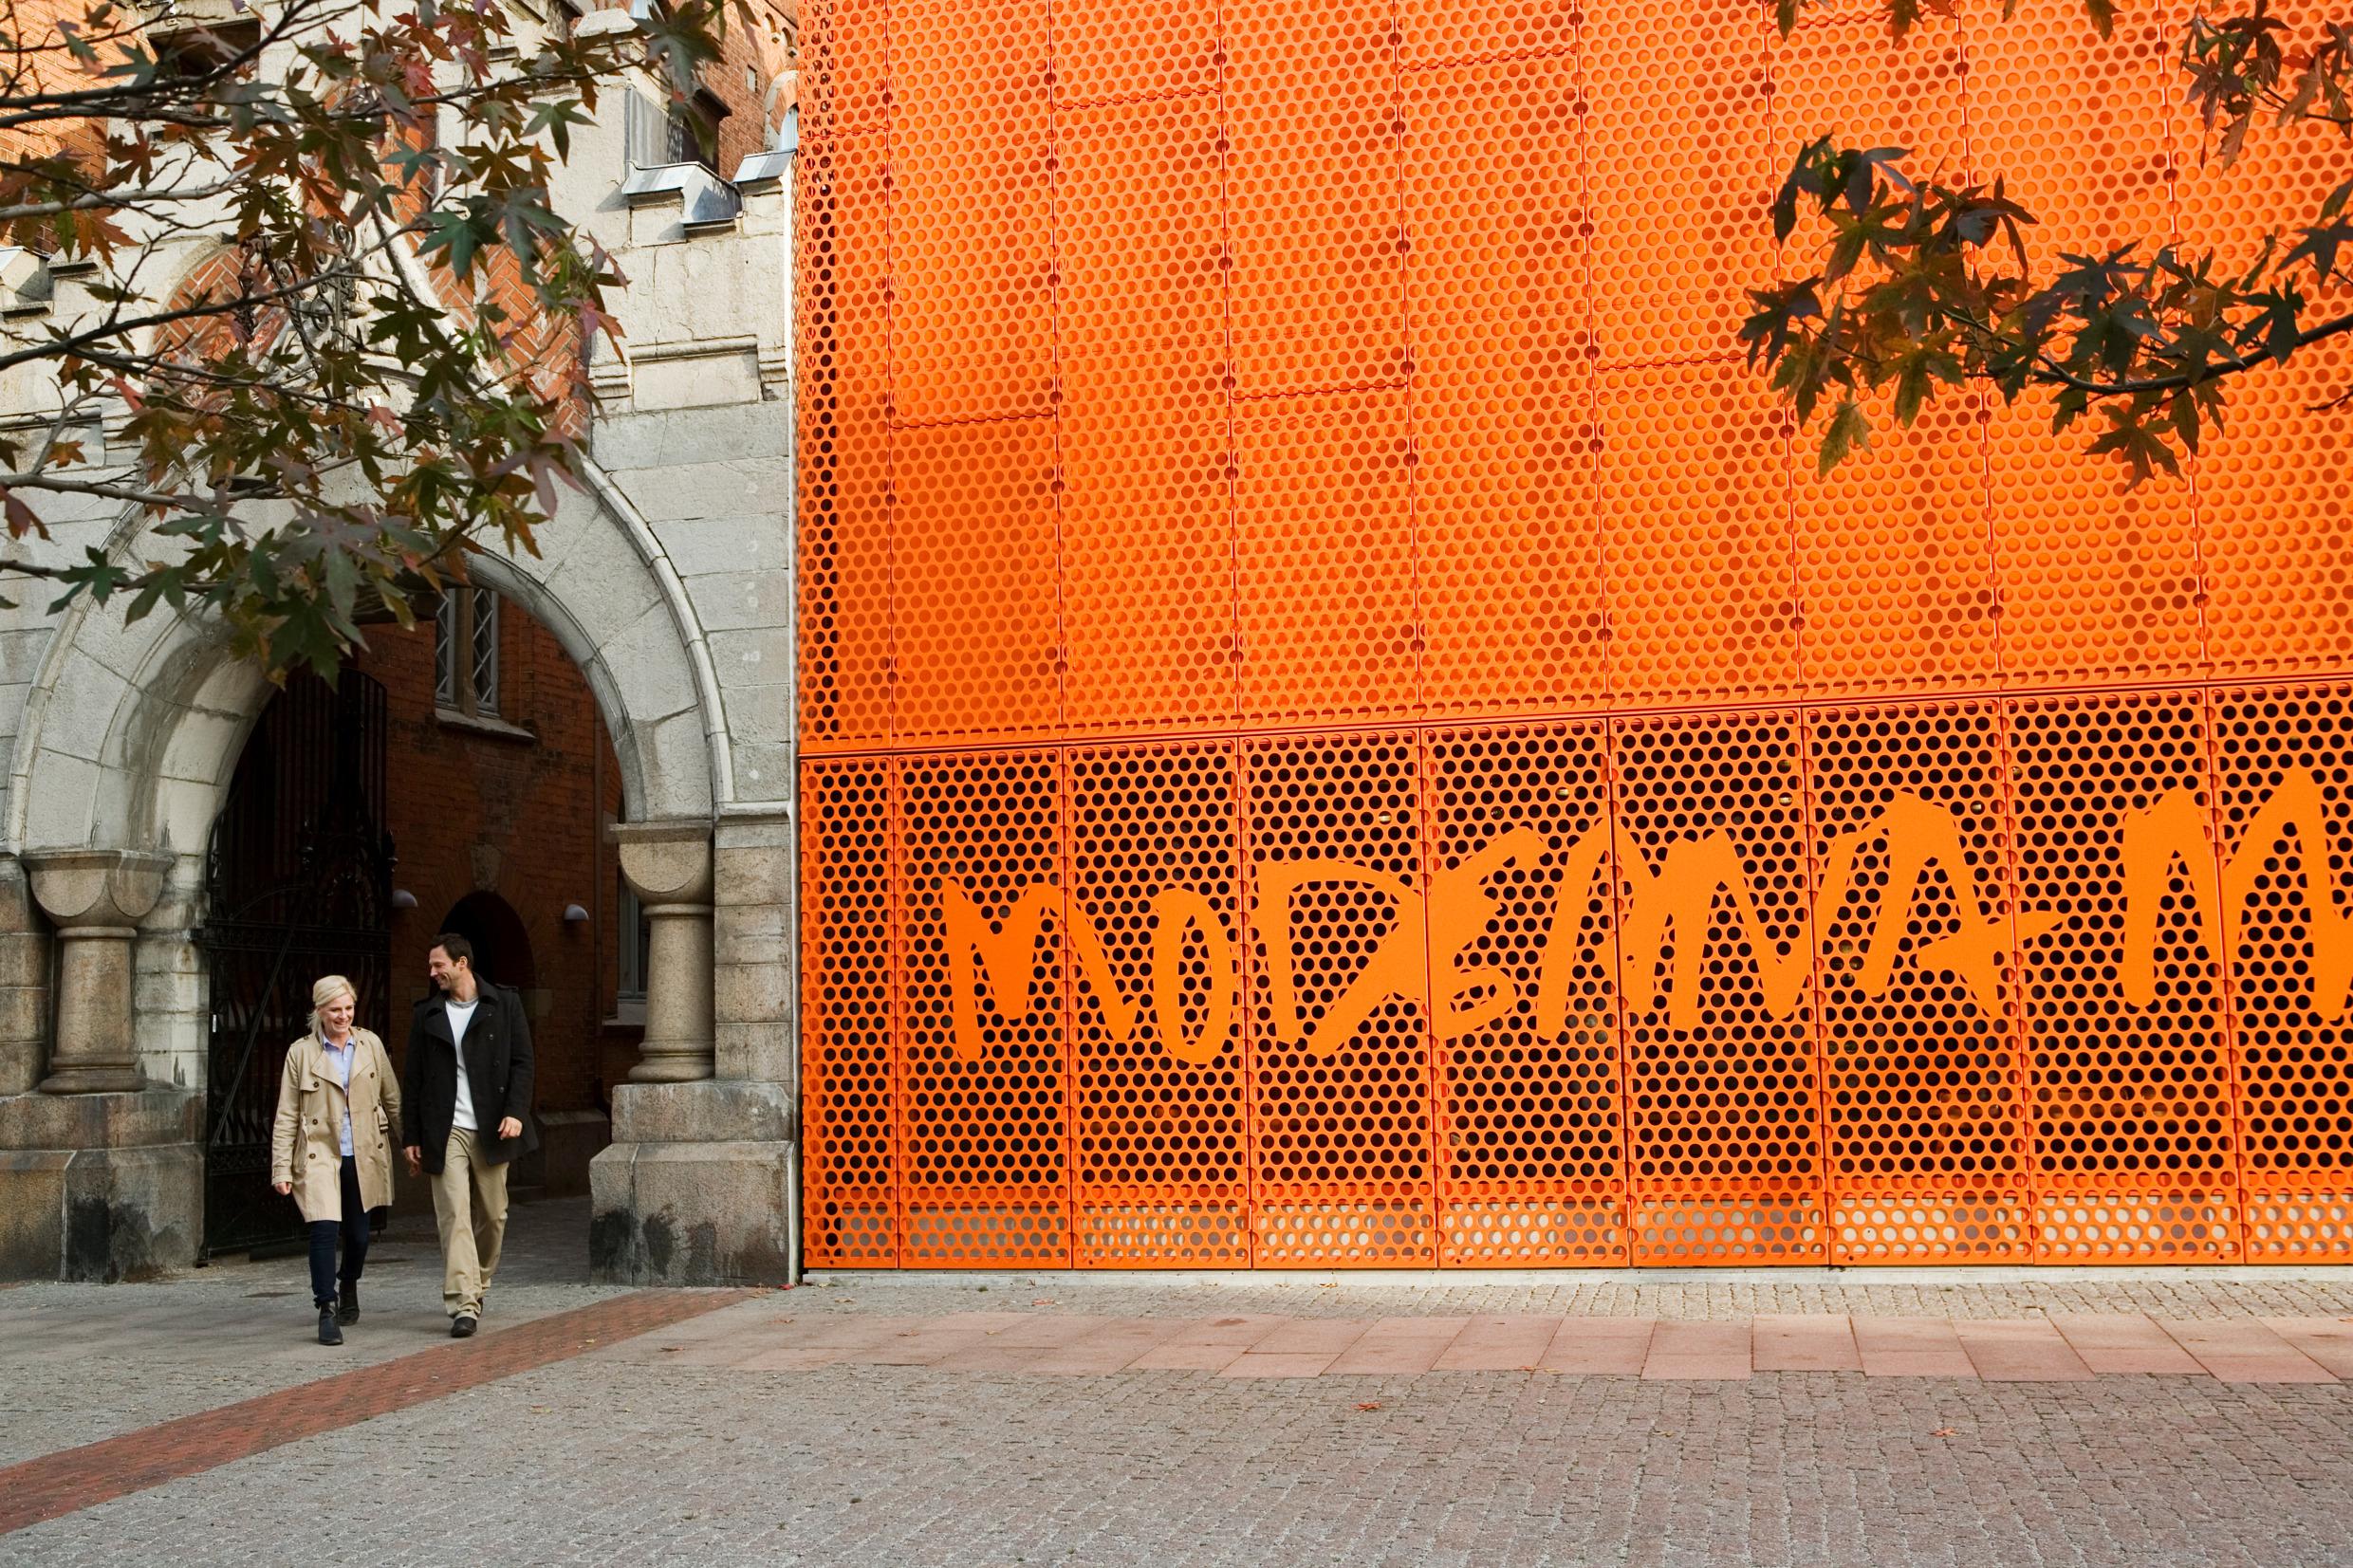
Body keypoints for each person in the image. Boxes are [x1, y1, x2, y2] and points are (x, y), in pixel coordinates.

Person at [400, 932, 536, 1337]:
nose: (432, 973)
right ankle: (463, 1303)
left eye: (438, 965)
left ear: (462, 964)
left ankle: (478, 1281)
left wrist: (515, 1112)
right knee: (454, 1214)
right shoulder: (427, 1014)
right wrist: (411, 1136)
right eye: (431, 966)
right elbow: (413, 1078)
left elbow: (523, 1063)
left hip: (493, 1126)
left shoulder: (504, 1004)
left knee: (494, 1215)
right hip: (445, 1129)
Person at [269, 974, 400, 1347]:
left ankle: (349, 1282)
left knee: (358, 1235)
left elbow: (392, 1097)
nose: (343, 1016)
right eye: (335, 1010)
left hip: (363, 1151)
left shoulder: (370, 1044)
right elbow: (287, 1114)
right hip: (319, 1153)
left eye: (348, 1008)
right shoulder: (301, 1053)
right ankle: (326, 1307)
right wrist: (281, 1167)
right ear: (319, 1011)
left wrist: (412, 1145)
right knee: (324, 1231)